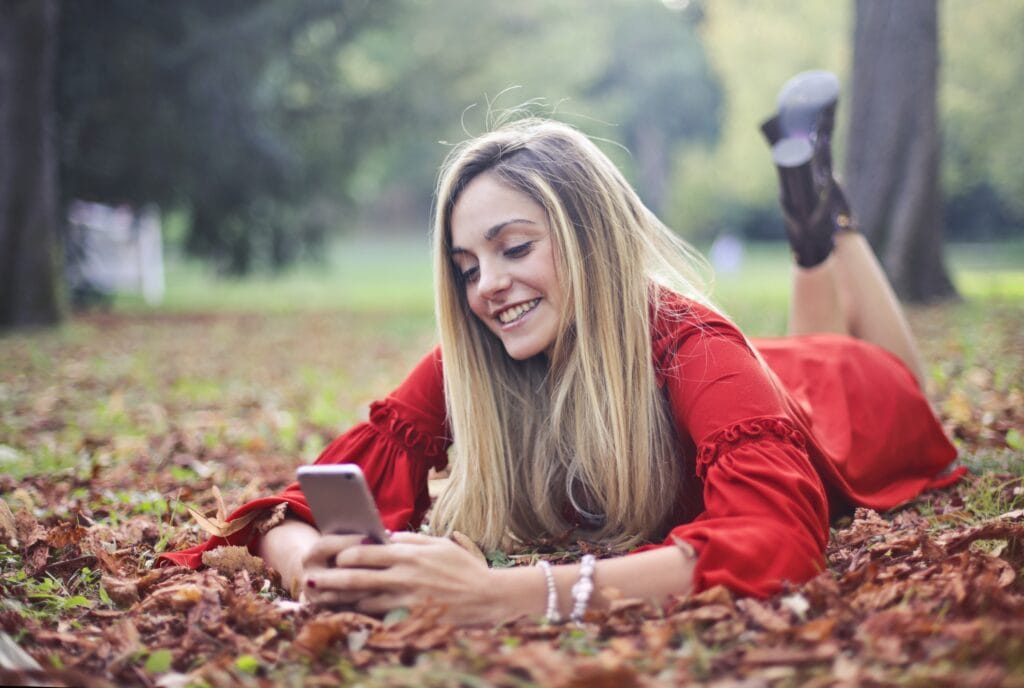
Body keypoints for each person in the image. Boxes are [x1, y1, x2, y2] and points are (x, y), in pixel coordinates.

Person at [160, 72, 961, 626]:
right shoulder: (484, 352)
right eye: (467, 266)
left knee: (885, 374)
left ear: (589, 239)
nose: (488, 288)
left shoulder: (696, 347)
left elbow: (777, 545)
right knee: (791, 348)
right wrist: (316, 568)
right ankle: (810, 212)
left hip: (845, 407)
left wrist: (511, 594)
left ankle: (827, 223)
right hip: (761, 380)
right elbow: (286, 510)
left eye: (515, 247)